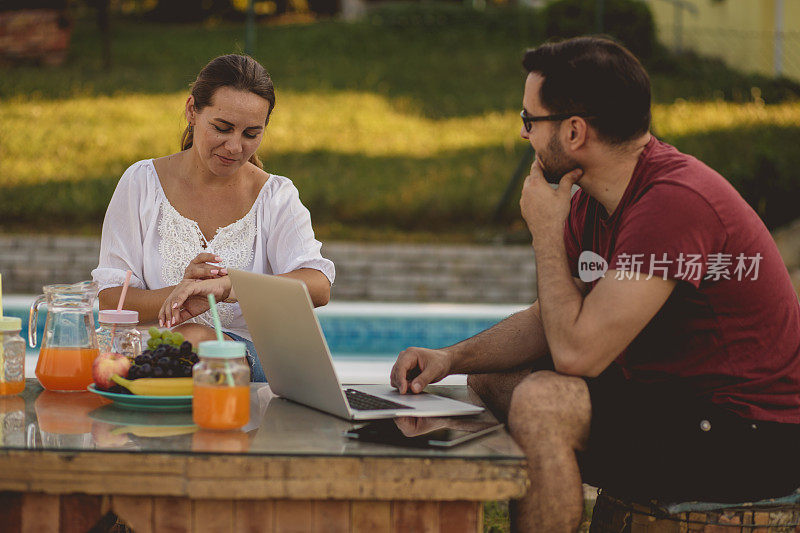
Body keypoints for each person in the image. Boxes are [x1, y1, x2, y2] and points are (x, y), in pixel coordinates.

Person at [390, 37, 800, 532]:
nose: (523, 136)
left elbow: (577, 356)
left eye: (529, 120)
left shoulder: (672, 203)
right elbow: (551, 320)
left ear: (574, 131)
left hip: (751, 436)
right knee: (493, 379)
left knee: (544, 402)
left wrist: (544, 231)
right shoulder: (589, 197)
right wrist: (451, 359)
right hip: (677, 407)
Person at [92, 54, 335, 382]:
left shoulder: (276, 195)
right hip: (154, 355)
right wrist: (182, 294)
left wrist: (229, 287)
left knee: (195, 341)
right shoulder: (140, 182)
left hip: (244, 356)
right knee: (188, 338)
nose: (235, 146)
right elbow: (110, 298)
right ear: (192, 110)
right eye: (222, 128)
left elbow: (318, 286)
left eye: (251, 134)